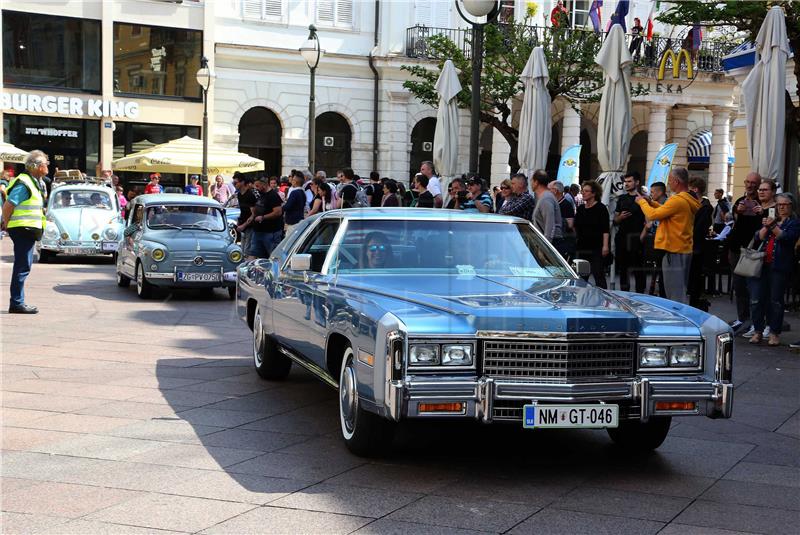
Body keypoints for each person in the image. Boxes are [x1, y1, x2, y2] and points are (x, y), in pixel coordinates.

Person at [635, 167, 700, 305]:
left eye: (670, 180)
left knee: (674, 293)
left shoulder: (677, 200)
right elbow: (665, 210)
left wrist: (641, 202)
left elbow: (652, 215)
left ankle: (678, 323)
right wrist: (651, 202)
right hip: (682, 248)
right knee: (679, 289)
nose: (669, 183)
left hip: (673, 250)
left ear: (676, 181)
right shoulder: (687, 199)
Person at [746, 193, 799, 346]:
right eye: (779, 204)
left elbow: (785, 237)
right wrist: (766, 226)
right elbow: (758, 237)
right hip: (760, 265)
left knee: (775, 300)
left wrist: (772, 226)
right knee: (756, 299)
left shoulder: (794, 223)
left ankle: (774, 333)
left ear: (791, 206)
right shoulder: (771, 219)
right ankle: (757, 331)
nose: (781, 207)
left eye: (785, 204)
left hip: (779, 266)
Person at [1, 150, 48, 314]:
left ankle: (17, 301)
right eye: (44, 164)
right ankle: (16, 303)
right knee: (22, 266)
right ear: (36, 166)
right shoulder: (25, 183)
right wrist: (7, 224)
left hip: (26, 229)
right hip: (23, 229)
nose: (47, 166)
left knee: (23, 265)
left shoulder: (34, 181)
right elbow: (8, 205)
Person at [729, 172, 764, 334]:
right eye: (748, 182)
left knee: (752, 288)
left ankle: (755, 321)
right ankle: (742, 318)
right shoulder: (739, 201)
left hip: (752, 251)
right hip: (736, 248)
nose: (750, 185)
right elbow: (733, 221)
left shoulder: (762, 204)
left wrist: (761, 213)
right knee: (739, 286)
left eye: (754, 183)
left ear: (758, 185)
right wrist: (738, 211)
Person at [614, 171, 647, 293]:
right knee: (623, 269)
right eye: (625, 182)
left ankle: (640, 295)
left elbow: (648, 221)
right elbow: (615, 220)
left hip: (636, 238)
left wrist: (641, 238)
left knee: (639, 270)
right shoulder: (621, 199)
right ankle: (624, 295)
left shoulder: (643, 200)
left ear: (637, 182)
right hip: (622, 238)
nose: (626, 184)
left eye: (629, 181)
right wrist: (620, 217)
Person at [574, 180, 610, 288]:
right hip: (582, 247)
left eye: (586, 191)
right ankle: (581, 301)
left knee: (598, 275)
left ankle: (604, 301)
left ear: (594, 193)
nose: (583, 193)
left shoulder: (601, 208)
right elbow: (576, 227)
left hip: (596, 248)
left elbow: (605, 229)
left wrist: (605, 246)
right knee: (581, 278)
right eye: (582, 191)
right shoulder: (580, 209)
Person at [687, 177, 713, 310]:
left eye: (689, 189)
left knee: (695, 278)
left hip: (696, 247)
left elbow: (699, 229)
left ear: (695, 189)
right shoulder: (692, 204)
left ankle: (694, 304)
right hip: (689, 246)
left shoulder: (706, 207)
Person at [249, 177, 284, 259]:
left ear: (264, 185)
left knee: (273, 256)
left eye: (257, 186)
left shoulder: (273, 195)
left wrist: (263, 217)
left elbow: (278, 212)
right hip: (258, 230)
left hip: (271, 232)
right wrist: (252, 216)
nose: (256, 188)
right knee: (254, 254)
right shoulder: (260, 194)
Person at [530, 170, 562, 244]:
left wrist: (545, 249)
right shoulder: (544, 197)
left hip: (551, 244)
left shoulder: (546, 198)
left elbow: (550, 226)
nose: (530, 183)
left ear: (536, 182)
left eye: (532, 180)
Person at [549, 180, 576, 261]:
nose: (547, 192)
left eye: (549, 189)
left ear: (555, 191)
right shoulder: (553, 203)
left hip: (562, 242)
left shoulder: (566, 204)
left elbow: (570, 224)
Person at [235, 176, 259, 257]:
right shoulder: (239, 194)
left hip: (250, 226)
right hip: (243, 225)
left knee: (247, 251)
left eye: (236, 182)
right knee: (242, 249)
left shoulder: (250, 195)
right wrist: (239, 221)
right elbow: (243, 210)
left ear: (242, 182)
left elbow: (254, 214)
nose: (234, 184)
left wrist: (244, 225)